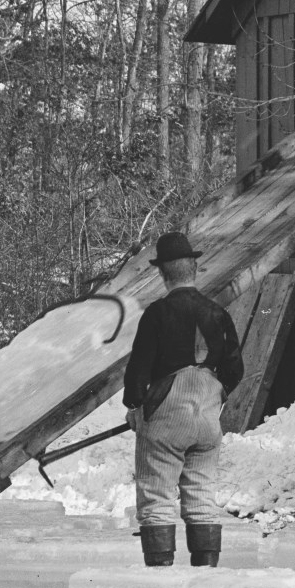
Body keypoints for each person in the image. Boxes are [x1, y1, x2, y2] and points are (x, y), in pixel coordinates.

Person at [121, 232, 243, 568]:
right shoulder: (218, 313)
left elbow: (139, 370)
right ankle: (205, 580)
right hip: (206, 420)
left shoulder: (157, 314)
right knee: (202, 497)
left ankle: (161, 580)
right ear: (195, 269)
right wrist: (213, 397)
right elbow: (235, 369)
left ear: (162, 274)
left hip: (165, 421)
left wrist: (135, 406)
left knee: (157, 497)